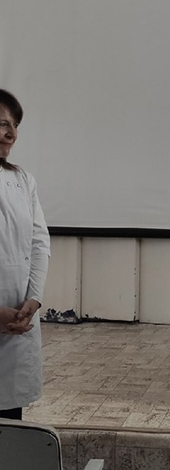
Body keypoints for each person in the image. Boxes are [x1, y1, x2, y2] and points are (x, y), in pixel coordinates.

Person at [0, 89, 50, 420]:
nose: (11, 134)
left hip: (18, 321)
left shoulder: (22, 180)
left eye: (15, 125)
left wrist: (34, 298)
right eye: (2, 123)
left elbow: (39, 242)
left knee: (9, 422)